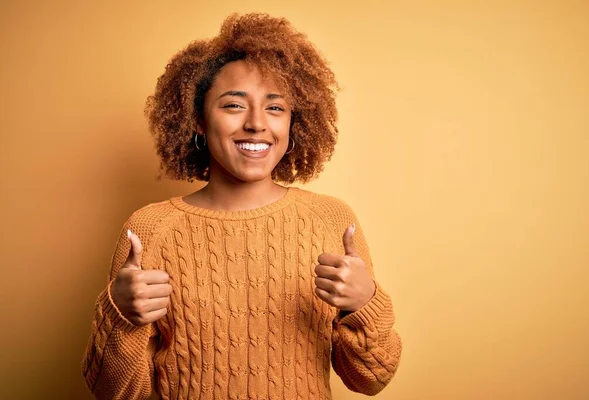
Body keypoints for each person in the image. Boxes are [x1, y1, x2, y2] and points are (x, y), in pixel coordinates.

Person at [82, 13, 402, 400]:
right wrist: (121, 315)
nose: (256, 124)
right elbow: (111, 393)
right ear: (198, 120)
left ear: (292, 123)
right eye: (234, 105)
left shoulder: (332, 220)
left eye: (275, 108)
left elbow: (371, 379)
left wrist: (363, 304)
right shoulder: (150, 228)